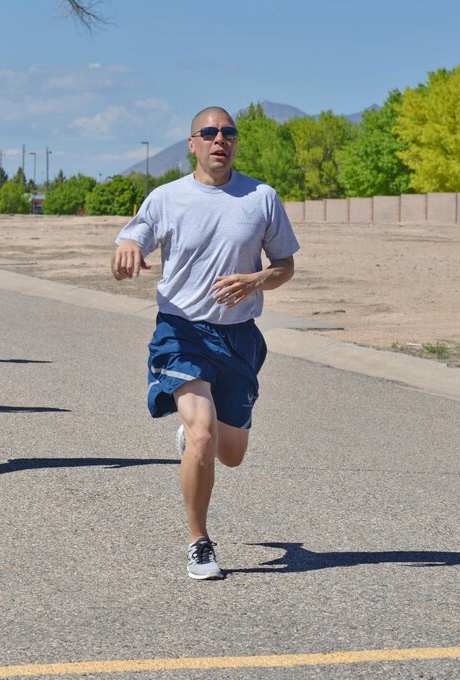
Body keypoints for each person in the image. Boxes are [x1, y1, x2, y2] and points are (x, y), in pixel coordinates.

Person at [111, 106, 299, 580]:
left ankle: (202, 433)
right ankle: (199, 542)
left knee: (230, 454)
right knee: (203, 434)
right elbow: (135, 234)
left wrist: (256, 280)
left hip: (238, 338)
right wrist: (128, 247)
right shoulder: (167, 197)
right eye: (210, 133)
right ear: (192, 143)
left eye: (229, 133)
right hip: (182, 332)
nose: (221, 139)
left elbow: (284, 266)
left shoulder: (261, 197)